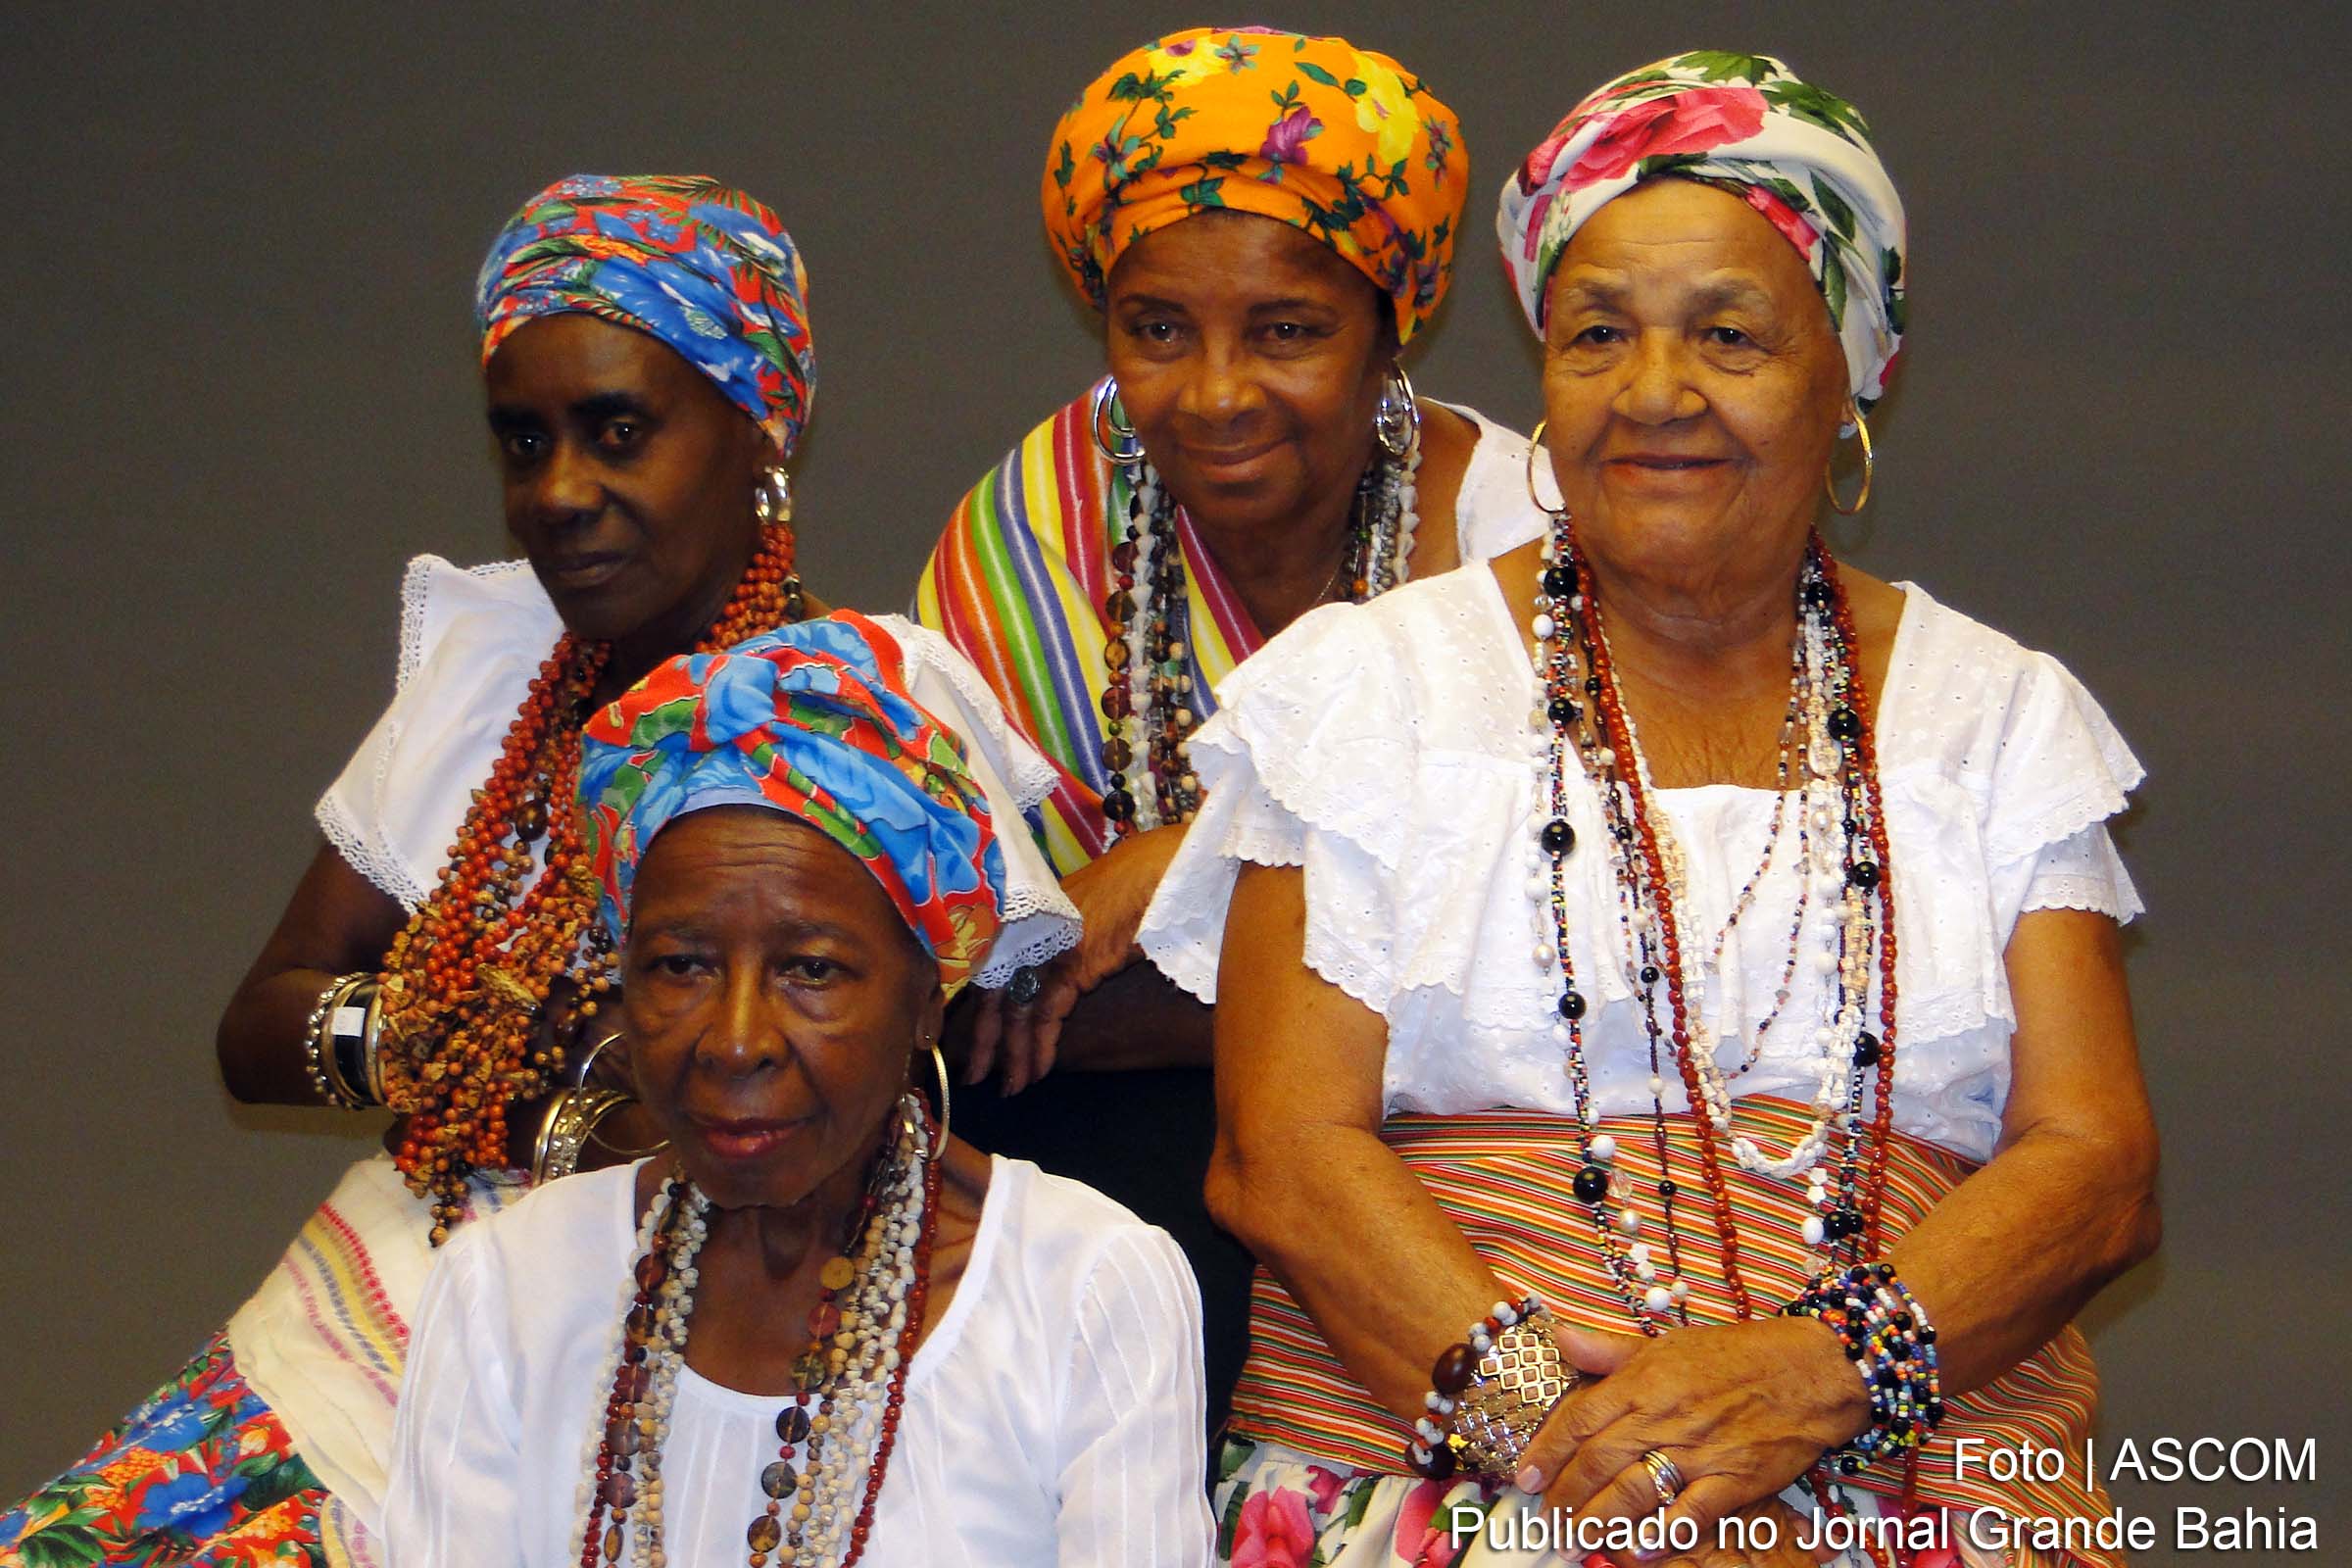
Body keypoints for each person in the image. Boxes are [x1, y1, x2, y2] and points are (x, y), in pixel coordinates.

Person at [1141, 52, 2158, 1568]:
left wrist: (1817, 1384)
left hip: (1913, 1485)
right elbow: (1283, 1156)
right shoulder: (1368, 694)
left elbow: (2095, 1166)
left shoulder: (1995, 714)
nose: (1655, 392)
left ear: (1852, 372)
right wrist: (1611, 1474)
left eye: (1729, 337)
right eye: (1597, 334)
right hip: (1470, 1488)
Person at [0, 175, 1075, 1566]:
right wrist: (528, 1064)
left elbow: (947, 1075)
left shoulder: (878, 710)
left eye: (619, 432)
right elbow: (260, 1026)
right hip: (345, 1327)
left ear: (761, 434)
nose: (560, 493)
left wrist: (577, 1095)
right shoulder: (498, 671)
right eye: (525, 442)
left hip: (659, 1360)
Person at [914, 24, 1547, 1433]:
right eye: (1156, 330)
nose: (1211, 395)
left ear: (1393, 327)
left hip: (1459, 1160)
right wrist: (1312, 942)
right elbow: (979, 985)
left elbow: (1532, 966)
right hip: (1090, 1157)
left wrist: (1180, 863)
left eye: (1286, 330)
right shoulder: (1039, 526)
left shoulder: (1523, 530)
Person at [381, 614, 1213, 1566]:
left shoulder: (1083, 1293)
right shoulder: (507, 1298)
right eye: (680, 964)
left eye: (810, 970)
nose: (735, 1041)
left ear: (926, 998)